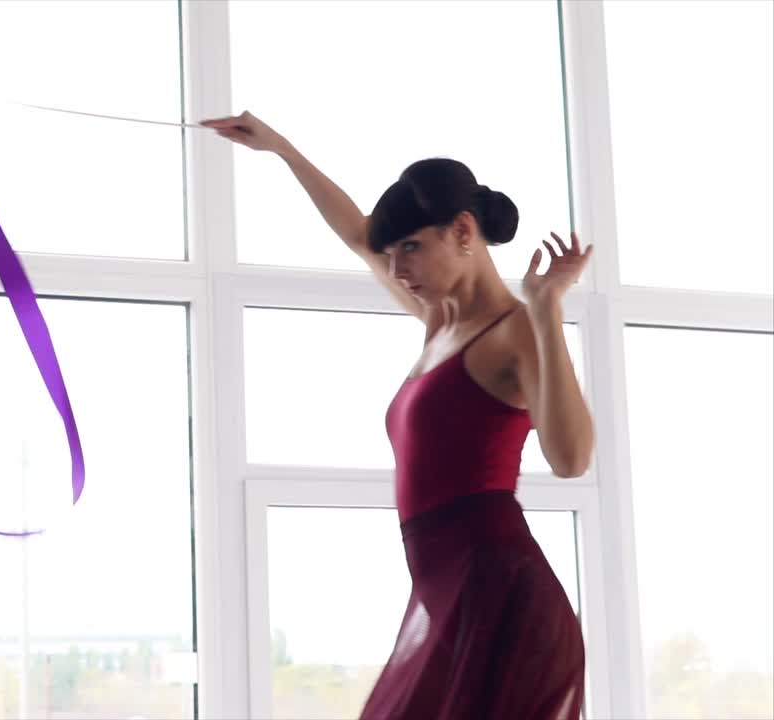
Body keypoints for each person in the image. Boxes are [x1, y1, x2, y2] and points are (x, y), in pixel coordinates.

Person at [202, 112, 592, 719]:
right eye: (391, 253)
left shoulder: (512, 332)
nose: (395, 268)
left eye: (411, 247)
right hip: (449, 597)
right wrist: (281, 149)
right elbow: (358, 234)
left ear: (463, 230)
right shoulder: (440, 324)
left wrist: (546, 310)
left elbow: (571, 461)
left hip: (500, 601)